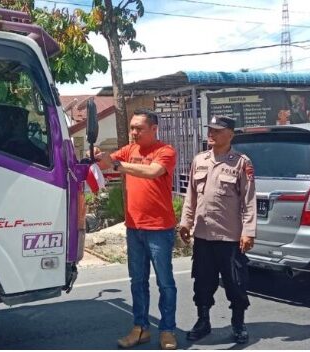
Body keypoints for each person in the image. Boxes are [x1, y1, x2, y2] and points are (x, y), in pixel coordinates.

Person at [94, 108, 178, 350]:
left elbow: (152, 172)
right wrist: (100, 156)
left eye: (139, 128)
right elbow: (110, 161)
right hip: (134, 228)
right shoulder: (130, 150)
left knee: (165, 282)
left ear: (154, 129)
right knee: (137, 281)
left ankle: (168, 330)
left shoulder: (165, 151)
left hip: (159, 229)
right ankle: (140, 328)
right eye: (132, 128)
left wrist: (119, 165)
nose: (133, 133)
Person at [179, 115, 256, 344]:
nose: (211, 134)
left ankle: (238, 323)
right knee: (202, 282)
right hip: (203, 236)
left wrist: (248, 232)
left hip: (230, 237)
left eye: (217, 131)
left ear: (230, 134)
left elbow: (249, 201)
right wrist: (185, 222)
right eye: (210, 130)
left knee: (236, 283)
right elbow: (190, 196)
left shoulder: (241, 163)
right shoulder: (199, 160)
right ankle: (203, 321)